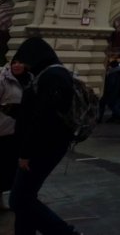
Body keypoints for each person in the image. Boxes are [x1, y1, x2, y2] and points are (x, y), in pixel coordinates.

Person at [8, 36, 82, 234]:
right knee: (26, 197)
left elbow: (44, 118)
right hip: (45, 145)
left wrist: (26, 152)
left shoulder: (53, 76)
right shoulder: (45, 75)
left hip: (44, 148)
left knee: (19, 199)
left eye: (24, 59)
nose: (23, 63)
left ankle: (64, 232)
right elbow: (33, 111)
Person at [0, 59, 26, 210]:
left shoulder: (30, 80)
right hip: (2, 130)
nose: (17, 65)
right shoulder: (3, 79)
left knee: (8, 168)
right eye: (14, 62)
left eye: (20, 62)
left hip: (17, 132)